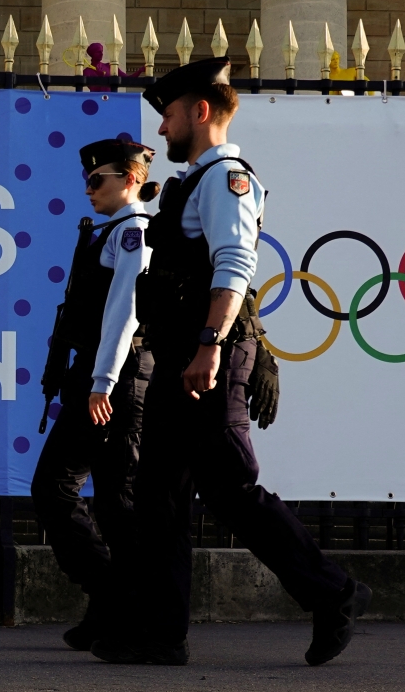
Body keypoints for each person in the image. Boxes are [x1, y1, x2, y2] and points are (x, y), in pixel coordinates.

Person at [90, 57, 371, 667]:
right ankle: (161, 635)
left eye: (166, 116)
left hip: (203, 360)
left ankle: (336, 593)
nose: (159, 130)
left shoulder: (227, 180)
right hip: (178, 359)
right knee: (160, 497)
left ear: (199, 111)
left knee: (233, 492)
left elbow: (235, 267)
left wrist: (211, 348)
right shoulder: (192, 182)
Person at [32, 139, 159, 651]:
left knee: (59, 488)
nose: (88, 189)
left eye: (98, 179)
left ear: (130, 178)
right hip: (99, 373)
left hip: (116, 377)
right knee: (111, 501)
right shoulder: (106, 229)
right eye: (86, 180)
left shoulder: (132, 231)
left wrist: (100, 382)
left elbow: (123, 313)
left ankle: (119, 599)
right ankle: (115, 603)